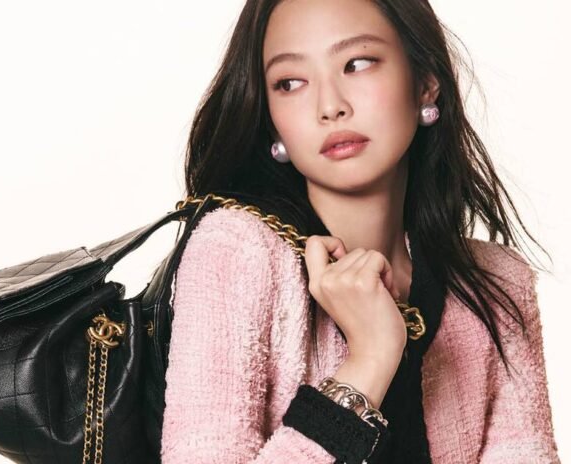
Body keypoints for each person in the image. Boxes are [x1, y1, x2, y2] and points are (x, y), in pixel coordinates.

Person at [159, 0, 561, 462]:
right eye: (290, 83)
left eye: (358, 63)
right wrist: (369, 361)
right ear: (270, 118)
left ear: (425, 83)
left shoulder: (495, 283)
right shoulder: (236, 251)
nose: (330, 106)